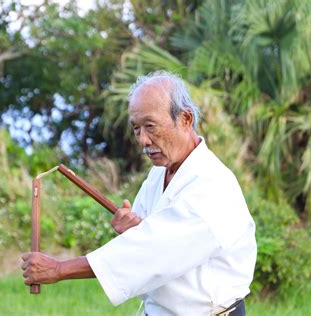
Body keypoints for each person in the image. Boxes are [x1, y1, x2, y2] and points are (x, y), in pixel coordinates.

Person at [21, 71, 257, 316]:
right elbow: (150, 236)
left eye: (150, 126)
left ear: (185, 119)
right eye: (136, 128)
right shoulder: (160, 172)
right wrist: (137, 227)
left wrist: (60, 269)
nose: (143, 140)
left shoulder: (212, 185)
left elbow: (155, 250)